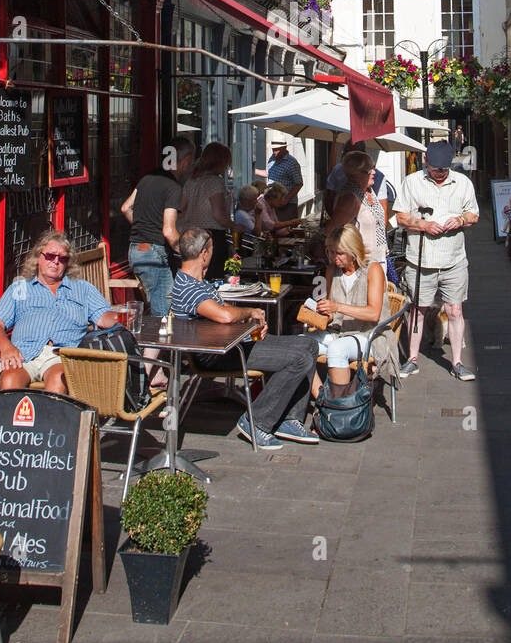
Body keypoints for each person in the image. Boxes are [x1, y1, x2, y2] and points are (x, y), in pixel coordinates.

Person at [170, 227, 320, 449]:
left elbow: (221, 309)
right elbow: (223, 315)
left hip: (234, 343)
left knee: (309, 344)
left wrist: (249, 321)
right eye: (211, 250)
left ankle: (290, 419)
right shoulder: (188, 287)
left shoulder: (195, 282)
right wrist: (250, 312)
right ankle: (256, 421)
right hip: (220, 353)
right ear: (204, 253)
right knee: (299, 358)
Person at [0, 231, 117, 393]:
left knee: (58, 379)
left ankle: (50, 418)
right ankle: (10, 419)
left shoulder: (83, 288)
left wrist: (122, 316)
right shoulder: (20, 288)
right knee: (10, 380)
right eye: (50, 256)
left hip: (62, 355)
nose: (56, 261)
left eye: (62, 258)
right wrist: (6, 347)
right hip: (23, 354)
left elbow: (104, 318)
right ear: (38, 257)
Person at [395, 140, 480, 382]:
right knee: (417, 310)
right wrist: (423, 225)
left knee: (454, 309)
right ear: (426, 162)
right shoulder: (412, 182)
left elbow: (474, 214)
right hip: (420, 260)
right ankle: (411, 359)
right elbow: (400, 215)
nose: (440, 173)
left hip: (454, 260)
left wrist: (461, 220)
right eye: (435, 169)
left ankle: (457, 362)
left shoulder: (462, 183)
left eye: (444, 169)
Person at [308, 225, 400, 399]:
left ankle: (340, 407)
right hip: (338, 331)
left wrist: (337, 307)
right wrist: (321, 311)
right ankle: (323, 398)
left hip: (369, 335)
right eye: (331, 252)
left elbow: (373, 313)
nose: (335, 258)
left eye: (340, 253)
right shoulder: (331, 270)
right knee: (299, 345)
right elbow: (331, 314)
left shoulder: (372, 270)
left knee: (337, 349)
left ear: (354, 250)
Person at [121, 137, 195, 317]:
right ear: (185, 161)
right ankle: (156, 344)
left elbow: (125, 208)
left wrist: (145, 228)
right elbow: (169, 231)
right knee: (163, 312)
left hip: (136, 251)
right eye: (190, 162)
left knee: (159, 306)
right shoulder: (173, 187)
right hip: (153, 254)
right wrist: (187, 255)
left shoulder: (147, 178)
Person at [177, 141, 241, 279]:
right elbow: (218, 215)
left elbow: (181, 209)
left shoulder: (191, 180)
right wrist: (235, 225)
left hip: (191, 236)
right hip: (211, 236)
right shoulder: (214, 182)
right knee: (214, 277)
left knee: (194, 277)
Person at [325, 150, 389, 268]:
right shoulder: (350, 198)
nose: (374, 172)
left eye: (373, 168)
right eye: (369, 170)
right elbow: (332, 231)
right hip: (361, 264)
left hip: (377, 260)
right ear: (356, 174)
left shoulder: (369, 191)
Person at [324, 140, 388, 221]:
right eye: (348, 154)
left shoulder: (378, 177)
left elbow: (383, 210)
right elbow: (329, 197)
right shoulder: (350, 197)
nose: (373, 172)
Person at [266, 138, 303, 221]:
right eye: (273, 149)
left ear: (284, 148)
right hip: (272, 202)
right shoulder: (272, 158)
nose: (274, 152)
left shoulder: (292, 163)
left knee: (285, 230)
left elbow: (299, 183)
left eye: (277, 150)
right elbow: (269, 174)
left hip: (287, 204)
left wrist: (286, 200)